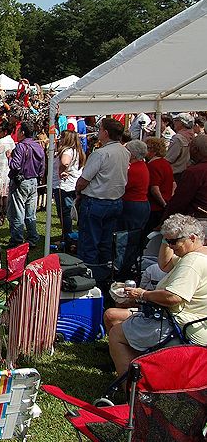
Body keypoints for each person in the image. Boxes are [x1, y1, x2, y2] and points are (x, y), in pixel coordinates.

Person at [106, 215, 207, 377]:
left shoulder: (192, 262)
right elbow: (165, 265)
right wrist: (165, 237)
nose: (171, 246)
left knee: (117, 333)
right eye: (168, 241)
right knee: (114, 317)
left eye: (173, 242)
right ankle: (140, 372)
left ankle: (134, 392)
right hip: (192, 324)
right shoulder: (198, 255)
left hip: (179, 326)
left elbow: (173, 297)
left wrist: (143, 294)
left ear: (192, 238)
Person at [76, 118, 130, 284]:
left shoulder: (101, 153)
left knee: (90, 241)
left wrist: (78, 189)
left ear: (106, 132)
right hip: (114, 202)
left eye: (100, 129)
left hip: (97, 202)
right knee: (105, 242)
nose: (98, 132)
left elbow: (84, 179)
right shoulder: (124, 151)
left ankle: (90, 276)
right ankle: (104, 274)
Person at [7, 122, 45, 247]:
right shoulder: (38, 146)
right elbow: (42, 165)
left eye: (18, 131)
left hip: (21, 181)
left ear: (22, 132)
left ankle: (17, 240)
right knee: (30, 213)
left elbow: (15, 165)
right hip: (33, 181)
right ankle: (33, 238)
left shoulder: (21, 147)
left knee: (18, 211)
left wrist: (9, 157)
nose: (16, 133)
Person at [164, 134, 207, 220]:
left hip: (198, 220)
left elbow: (179, 201)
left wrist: (164, 220)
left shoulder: (194, 172)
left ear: (195, 150)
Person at [53, 130, 84, 244]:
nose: (60, 139)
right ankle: (70, 235)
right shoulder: (77, 151)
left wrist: (62, 170)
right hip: (74, 184)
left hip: (64, 186)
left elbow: (65, 162)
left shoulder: (67, 150)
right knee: (72, 211)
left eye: (62, 137)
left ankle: (67, 237)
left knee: (64, 213)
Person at [119, 140, 150, 232]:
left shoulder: (133, 169)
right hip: (139, 204)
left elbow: (123, 186)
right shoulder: (142, 165)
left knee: (127, 234)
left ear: (132, 154)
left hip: (132, 205)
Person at [145, 137, 174, 233]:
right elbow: (174, 184)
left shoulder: (153, 165)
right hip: (166, 202)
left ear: (153, 150)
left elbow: (154, 188)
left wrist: (163, 204)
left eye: (147, 148)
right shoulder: (166, 163)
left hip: (155, 206)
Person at [0, 122, 15, 226]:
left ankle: (0, 216)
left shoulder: (1, 142)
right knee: (5, 194)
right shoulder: (12, 141)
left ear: (5, 132)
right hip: (8, 169)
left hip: (1, 169)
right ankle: (3, 216)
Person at [167, 113, 195, 183]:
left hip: (176, 175)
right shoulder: (192, 136)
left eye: (176, 120)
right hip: (186, 172)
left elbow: (169, 159)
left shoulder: (178, 138)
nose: (174, 122)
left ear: (181, 123)